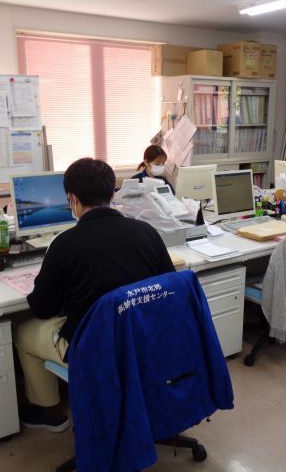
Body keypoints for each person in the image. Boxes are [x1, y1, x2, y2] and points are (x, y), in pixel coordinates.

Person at [15, 157, 175, 432]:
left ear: (72, 199)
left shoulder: (64, 244)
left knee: (23, 331)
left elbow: (42, 308)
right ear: (112, 194)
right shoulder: (147, 232)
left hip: (95, 350)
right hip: (143, 341)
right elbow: (168, 288)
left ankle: (49, 412)